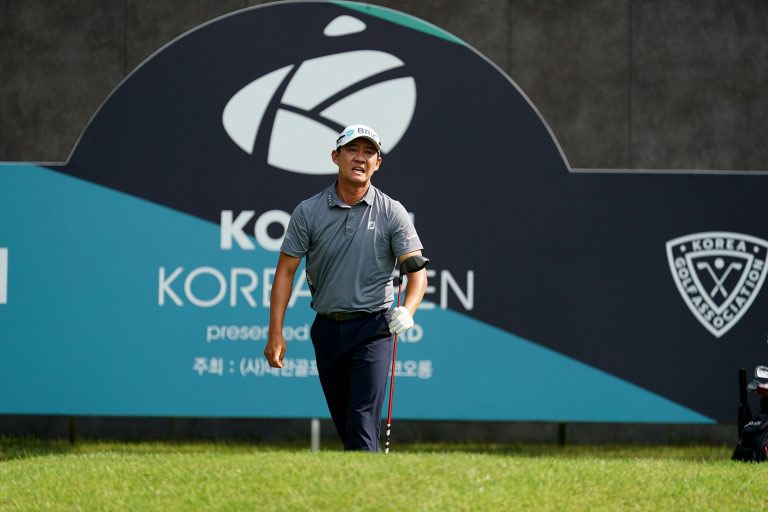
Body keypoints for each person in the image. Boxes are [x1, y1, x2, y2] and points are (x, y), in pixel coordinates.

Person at [264, 124, 427, 451]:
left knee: (362, 420)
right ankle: (369, 474)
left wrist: (408, 311)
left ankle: (365, 481)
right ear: (335, 157)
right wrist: (275, 332)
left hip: (373, 328)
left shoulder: (391, 211)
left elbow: (416, 271)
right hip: (327, 329)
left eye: (369, 152)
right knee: (346, 422)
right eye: (352, 150)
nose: (360, 158)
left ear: (377, 163)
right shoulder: (309, 211)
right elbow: (285, 272)